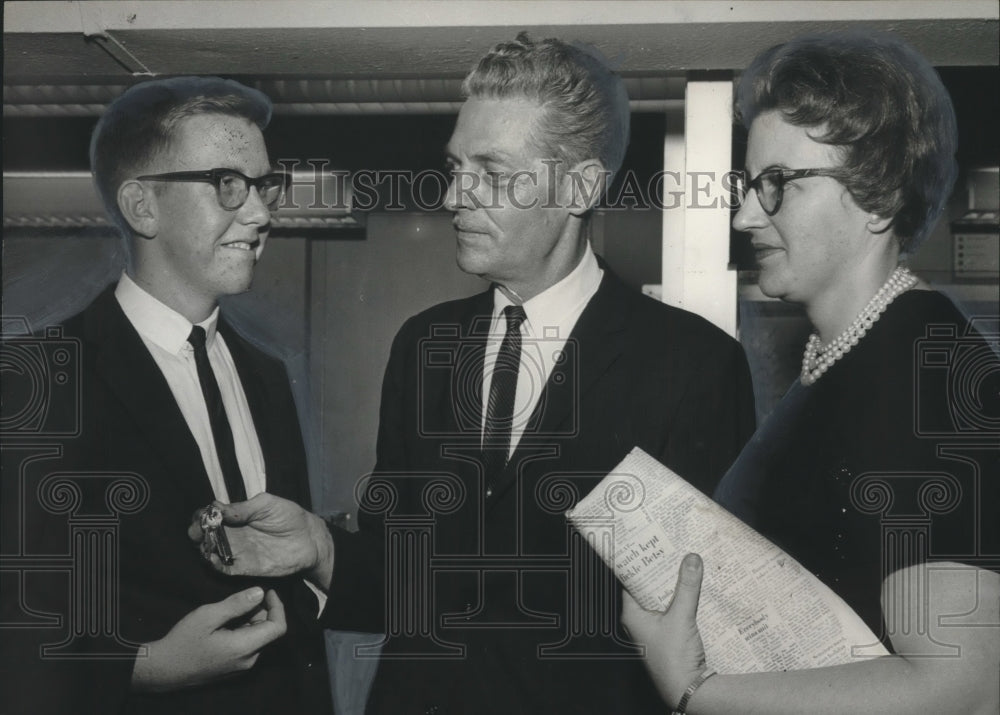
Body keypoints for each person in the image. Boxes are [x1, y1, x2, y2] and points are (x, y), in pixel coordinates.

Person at [194, 33, 756, 714]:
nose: (457, 194)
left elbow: (703, 626)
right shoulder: (425, 344)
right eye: (456, 165)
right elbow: (404, 583)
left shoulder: (690, 364)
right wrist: (316, 545)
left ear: (579, 187)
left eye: (492, 172)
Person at [621, 30, 1000, 714]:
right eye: (747, 184)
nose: (743, 213)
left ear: (879, 197)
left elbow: (961, 686)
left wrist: (694, 691)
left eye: (777, 185)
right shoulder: (844, 361)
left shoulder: (920, 364)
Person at [0, 77, 332, 714]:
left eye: (265, 185)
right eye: (227, 184)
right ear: (141, 206)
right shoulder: (36, 381)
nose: (261, 213)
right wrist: (140, 669)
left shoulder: (266, 375)